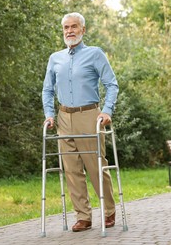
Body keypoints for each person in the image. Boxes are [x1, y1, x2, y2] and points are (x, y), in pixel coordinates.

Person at [42, 12, 119, 232]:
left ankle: (109, 210)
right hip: (64, 117)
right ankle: (83, 216)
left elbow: (111, 84)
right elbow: (47, 89)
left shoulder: (95, 54)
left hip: (89, 115)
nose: (70, 31)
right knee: (71, 170)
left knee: (96, 166)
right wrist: (49, 114)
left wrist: (107, 111)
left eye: (74, 27)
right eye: (66, 27)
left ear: (83, 30)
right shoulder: (55, 58)